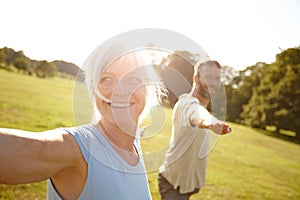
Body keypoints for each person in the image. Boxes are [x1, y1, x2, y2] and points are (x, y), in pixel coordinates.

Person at [0, 42, 166, 200]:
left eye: (133, 79)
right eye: (107, 79)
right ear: (94, 89)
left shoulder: (133, 144)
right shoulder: (76, 147)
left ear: (148, 88)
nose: (120, 90)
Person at [158, 60, 231, 200]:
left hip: (187, 185)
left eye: (217, 78)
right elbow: (198, 114)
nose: (214, 83)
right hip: (172, 183)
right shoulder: (187, 103)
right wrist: (211, 122)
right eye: (208, 77)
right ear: (196, 78)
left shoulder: (201, 106)